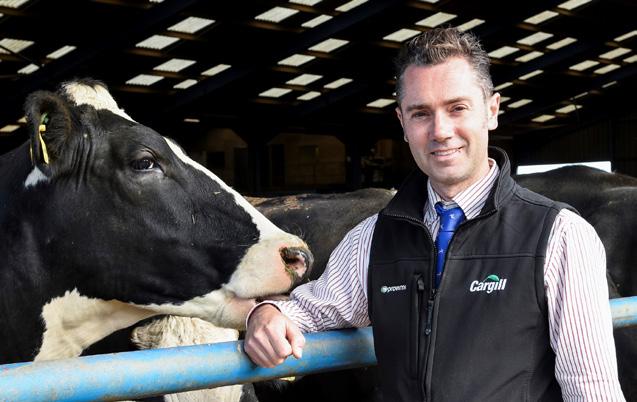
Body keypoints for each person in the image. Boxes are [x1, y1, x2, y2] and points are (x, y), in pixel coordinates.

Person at [244, 27, 625, 401]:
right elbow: (310, 310)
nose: (440, 131)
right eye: (421, 113)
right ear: (403, 123)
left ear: (492, 111)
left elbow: (591, 389)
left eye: (457, 108)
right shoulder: (373, 238)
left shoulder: (559, 235)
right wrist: (265, 314)